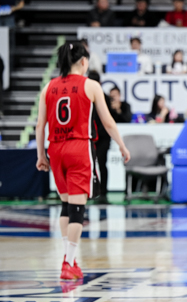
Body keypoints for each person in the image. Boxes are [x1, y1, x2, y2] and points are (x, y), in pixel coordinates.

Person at [35, 42, 130, 280]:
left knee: (66, 206)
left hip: (55, 148)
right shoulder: (91, 85)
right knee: (77, 209)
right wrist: (121, 145)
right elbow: (107, 122)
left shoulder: (48, 87)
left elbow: (40, 125)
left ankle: (70, 259)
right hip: (78, 147)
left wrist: (40, 155)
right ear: (84, 62)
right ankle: (68, 263)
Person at [87, 71, 111, 204]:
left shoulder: (104, 97)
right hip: (90, 136)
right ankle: (94, 191)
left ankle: (102, 192)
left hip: (99, 136)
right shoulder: (86, 96)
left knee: (101, 164)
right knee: (92, 165)